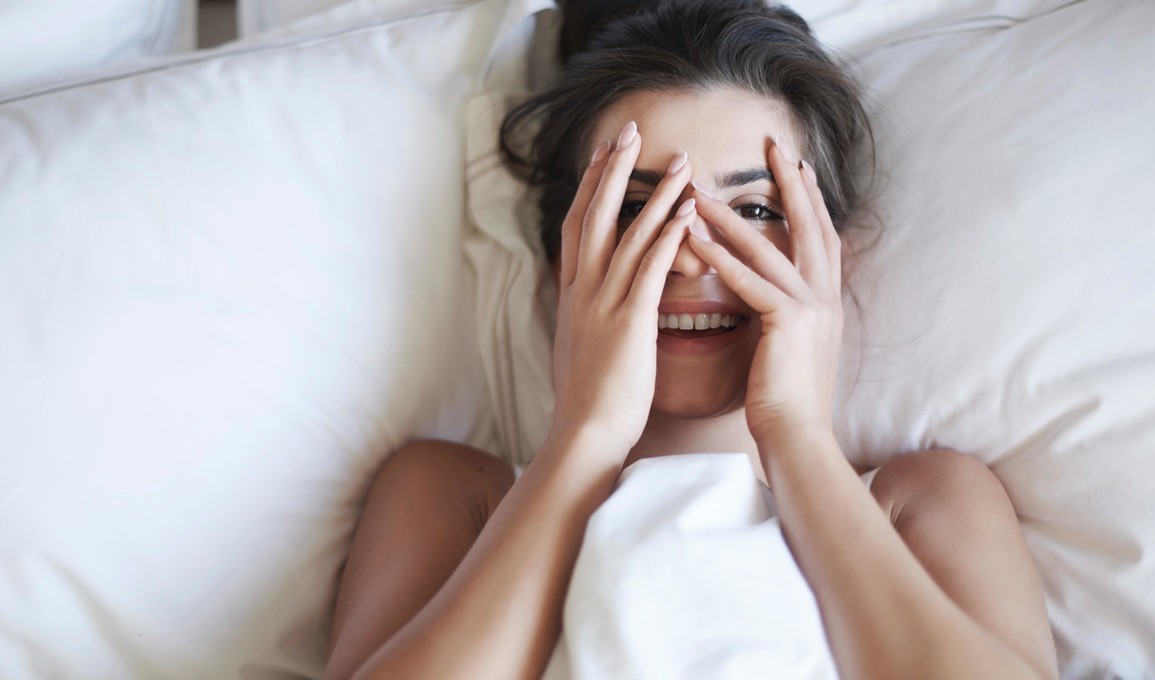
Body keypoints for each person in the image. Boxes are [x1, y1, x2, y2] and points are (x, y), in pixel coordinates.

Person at [324, 1, 1058, 678]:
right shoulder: (457, 496)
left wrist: (797, 435)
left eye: (755, 209)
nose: (688, 256)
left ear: (832, 260)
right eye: (636, 209)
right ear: (559, 265)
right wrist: (586, 435)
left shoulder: (923, 504)